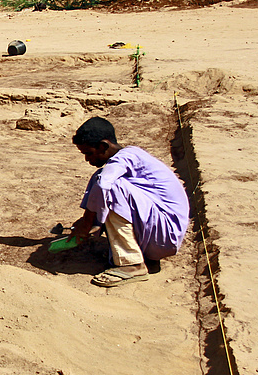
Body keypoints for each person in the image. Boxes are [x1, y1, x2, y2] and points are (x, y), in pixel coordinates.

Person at [69, 117, 190, 287]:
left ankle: (131, 265)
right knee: (100, 178)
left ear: (104, 146)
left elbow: (104, 186)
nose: (87, 159)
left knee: (110, 186)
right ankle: (134, 252)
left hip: (165, 236)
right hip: (156, 235)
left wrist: (87, 220)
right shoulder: (125, 158)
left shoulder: (127, 157)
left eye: (88, 153)